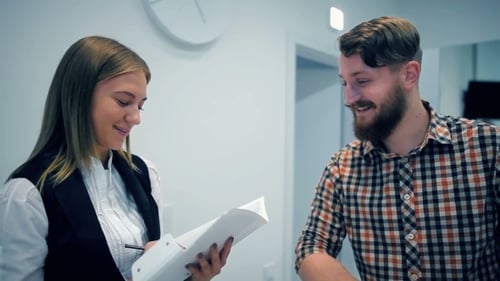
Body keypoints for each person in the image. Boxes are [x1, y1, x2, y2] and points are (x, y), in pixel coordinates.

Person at [0, 36, 233, 281]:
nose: (136, 118)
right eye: (124, 101)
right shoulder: (27, 194)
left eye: (140, 106)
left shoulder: (146, 174)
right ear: (79, 97)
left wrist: (192, 277)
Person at [295, 16, 499, 281]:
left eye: (362, 81)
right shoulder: (342, 167)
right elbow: (311, 246)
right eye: (345, 82)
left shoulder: (487, 147)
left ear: (409, 75)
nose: (349, 98)